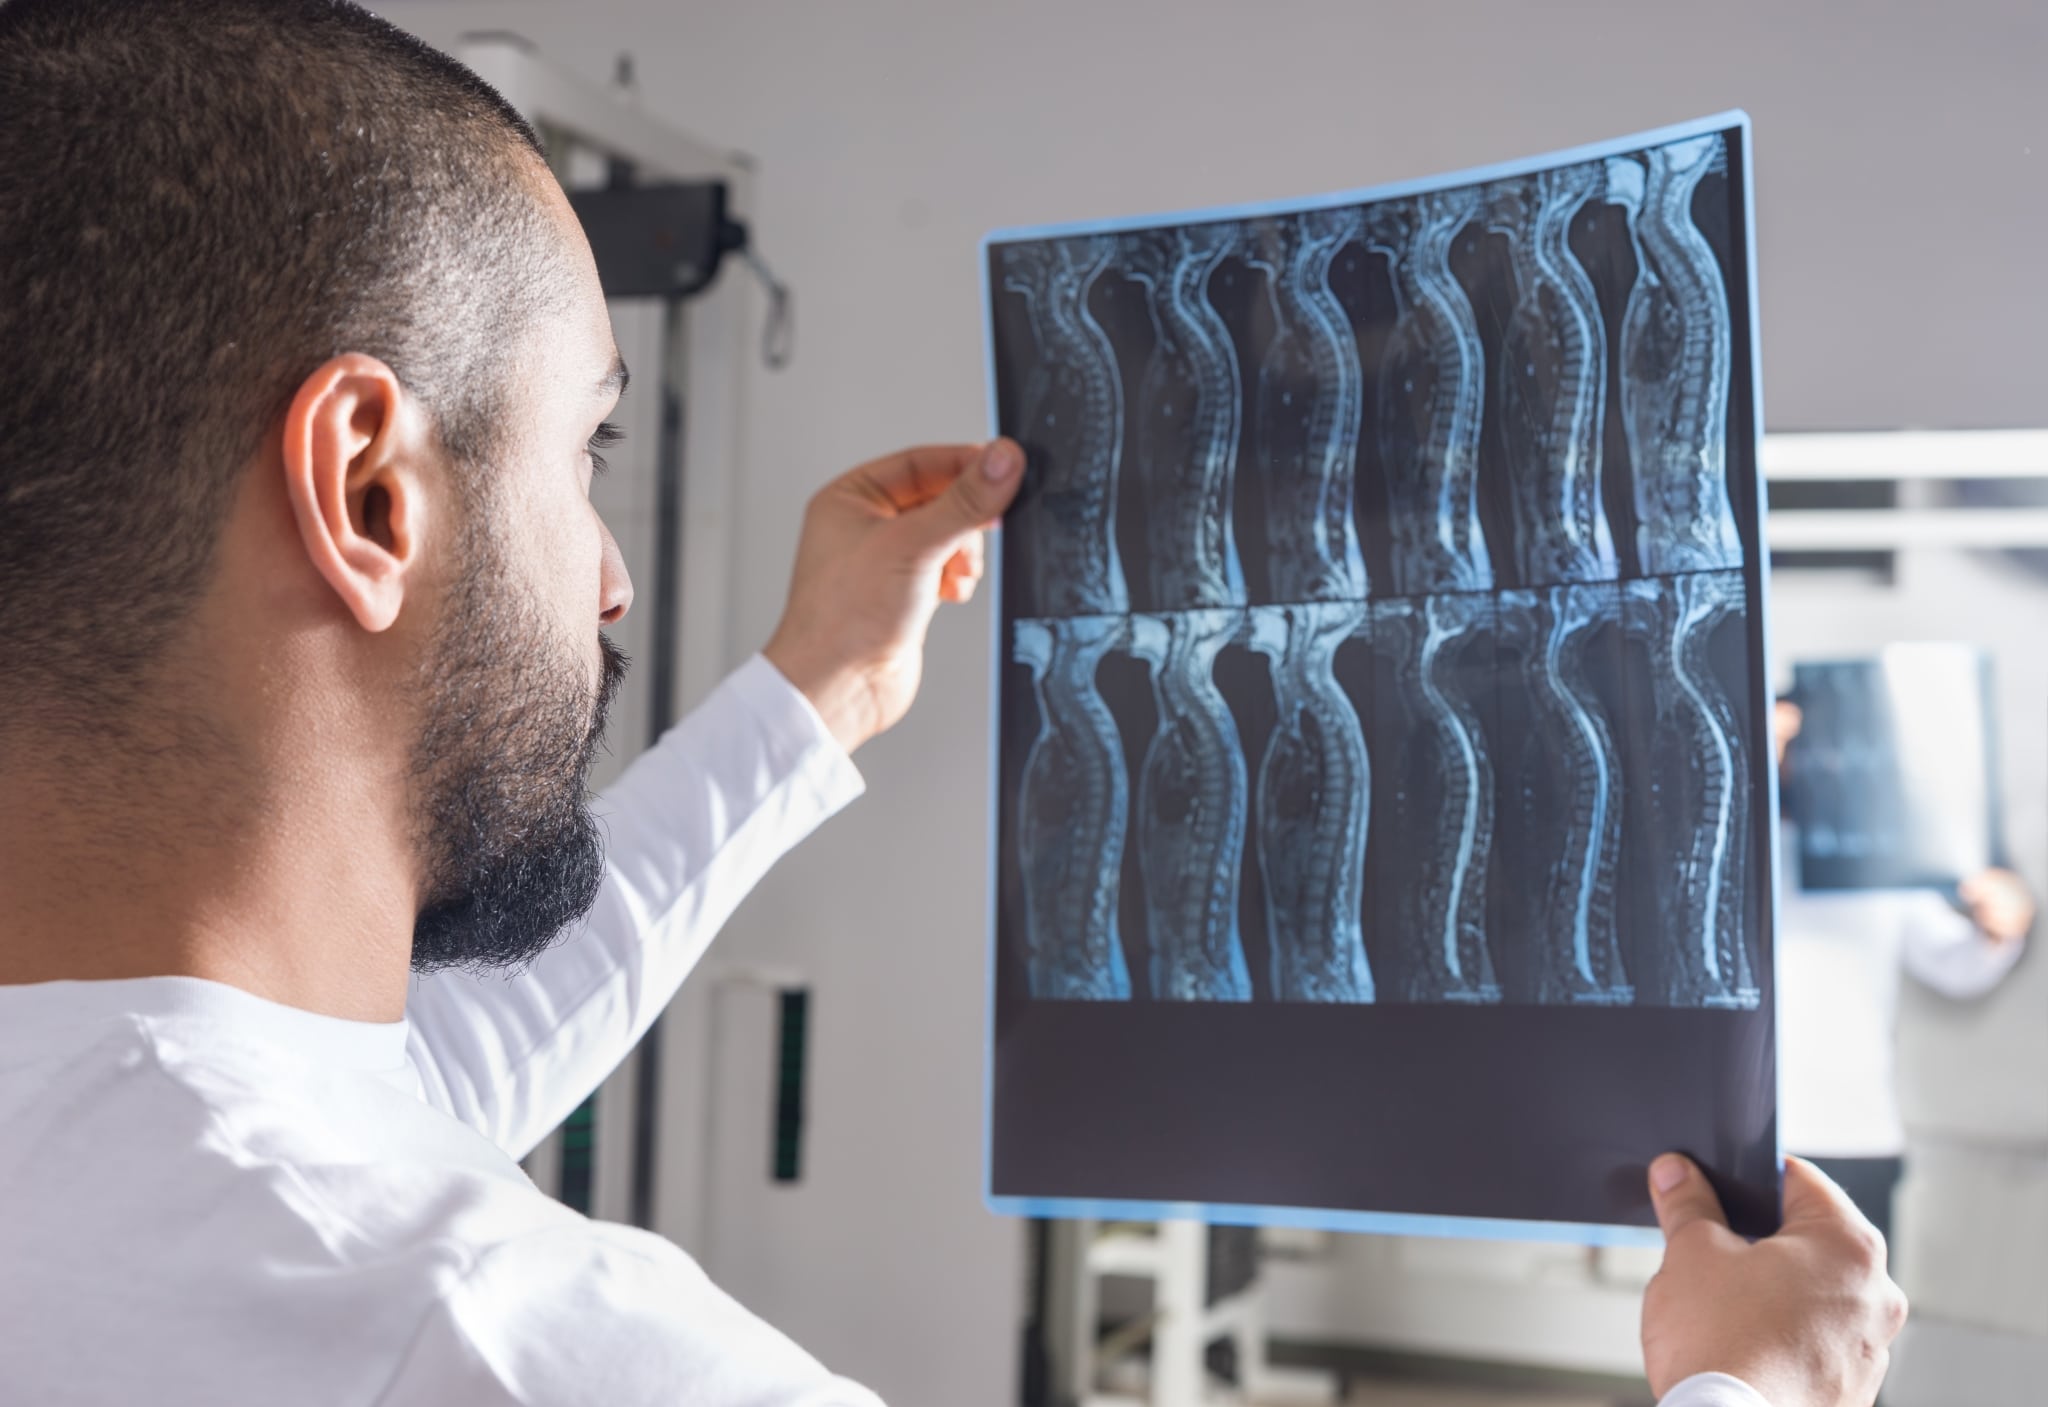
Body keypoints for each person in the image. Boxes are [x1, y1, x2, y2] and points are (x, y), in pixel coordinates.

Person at [0, 2, 1903, 1403]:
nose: (612, 576)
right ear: (369, 495)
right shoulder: (502, 1349)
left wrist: (808, 695)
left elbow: (414, 1079)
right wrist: (1765, 1390)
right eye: (585, 448)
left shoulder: (117, 1137)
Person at [1773, 699, 2034, 1241]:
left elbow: (1956, 967)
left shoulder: (1879, 854)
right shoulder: (1709, 852)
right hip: (1735, 1140)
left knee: (1857, 1316)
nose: (1785, 758)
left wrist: (1999, 928)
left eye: (1796, 744)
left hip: (1851, 1130)